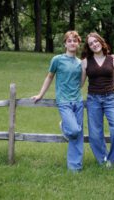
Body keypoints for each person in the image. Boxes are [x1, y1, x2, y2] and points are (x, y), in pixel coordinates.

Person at [31, 31, 84, 172]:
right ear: (65, 44)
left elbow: (82, 83)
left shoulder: (81, 63)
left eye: (75, 41)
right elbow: (49, 77)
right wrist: (40, 94)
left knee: (77, 136)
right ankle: (64, 126)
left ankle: (75, 168)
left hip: (78, 101)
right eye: (69, 41)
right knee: (73, 130)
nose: (72, 43)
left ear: (78, 43)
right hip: (64, 101)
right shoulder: (57, 60)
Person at [81, 32, 114, 168]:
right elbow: (80, 84)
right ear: (89, 47)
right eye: (91, 43)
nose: (94, 44)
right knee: (95, 134)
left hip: (110, 98)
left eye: (96, 41)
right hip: (93, 99)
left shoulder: (113, 60)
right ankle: (103, 160)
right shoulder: (86, 61)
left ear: (101, 41)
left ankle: (113, 160)